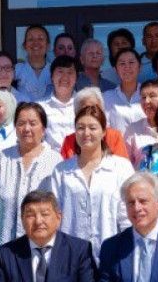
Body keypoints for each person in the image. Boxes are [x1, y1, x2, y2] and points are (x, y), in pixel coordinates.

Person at [53, 104, 135, 256]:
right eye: (80, 128)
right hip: (71, 255)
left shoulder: (121, 167)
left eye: (92, 128)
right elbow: (55, 214)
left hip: (112, 253)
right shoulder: (61, 170)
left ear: (103, 132)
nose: (86, 133)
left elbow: (127, 215)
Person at [0, 102, 63, 244]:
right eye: (21, 123)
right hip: (5, 245)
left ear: (43, 128)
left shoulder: (55, 161)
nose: (26, 128)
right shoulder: (2, 159)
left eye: (33, 123)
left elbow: (60, 208)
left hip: (42, 246)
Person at [59, 88, 131, 160]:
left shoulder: (114, 137)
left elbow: (122, 165)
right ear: (77, 114)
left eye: (94, 110)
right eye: (84, 110)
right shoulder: (69, 141)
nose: (89, 114)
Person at [122, 79, 158, 167]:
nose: (146, 101)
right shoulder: (133, 129)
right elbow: (125, 163)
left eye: (152, 96)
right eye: (143, 97)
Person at [40, 55, 79, 150]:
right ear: (52, 77)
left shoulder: (85, 105)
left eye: (70, 72)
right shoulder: (40, 107)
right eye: (60, 72)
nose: (65, 77)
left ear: (76, 78)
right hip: (49, 157)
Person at [104, 46, 146, 134]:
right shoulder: (106, 97)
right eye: (122, 63)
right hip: (116, 143)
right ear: (115, 69)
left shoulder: (149, 95)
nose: (127, 67)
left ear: (140, 67)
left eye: (131, 62)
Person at [15, 24, 52, 97]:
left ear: (48, 45)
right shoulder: (16, 69)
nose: (35, 43)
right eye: (31, 39)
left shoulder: (55, 70)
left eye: (40, 39)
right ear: (25, 45)